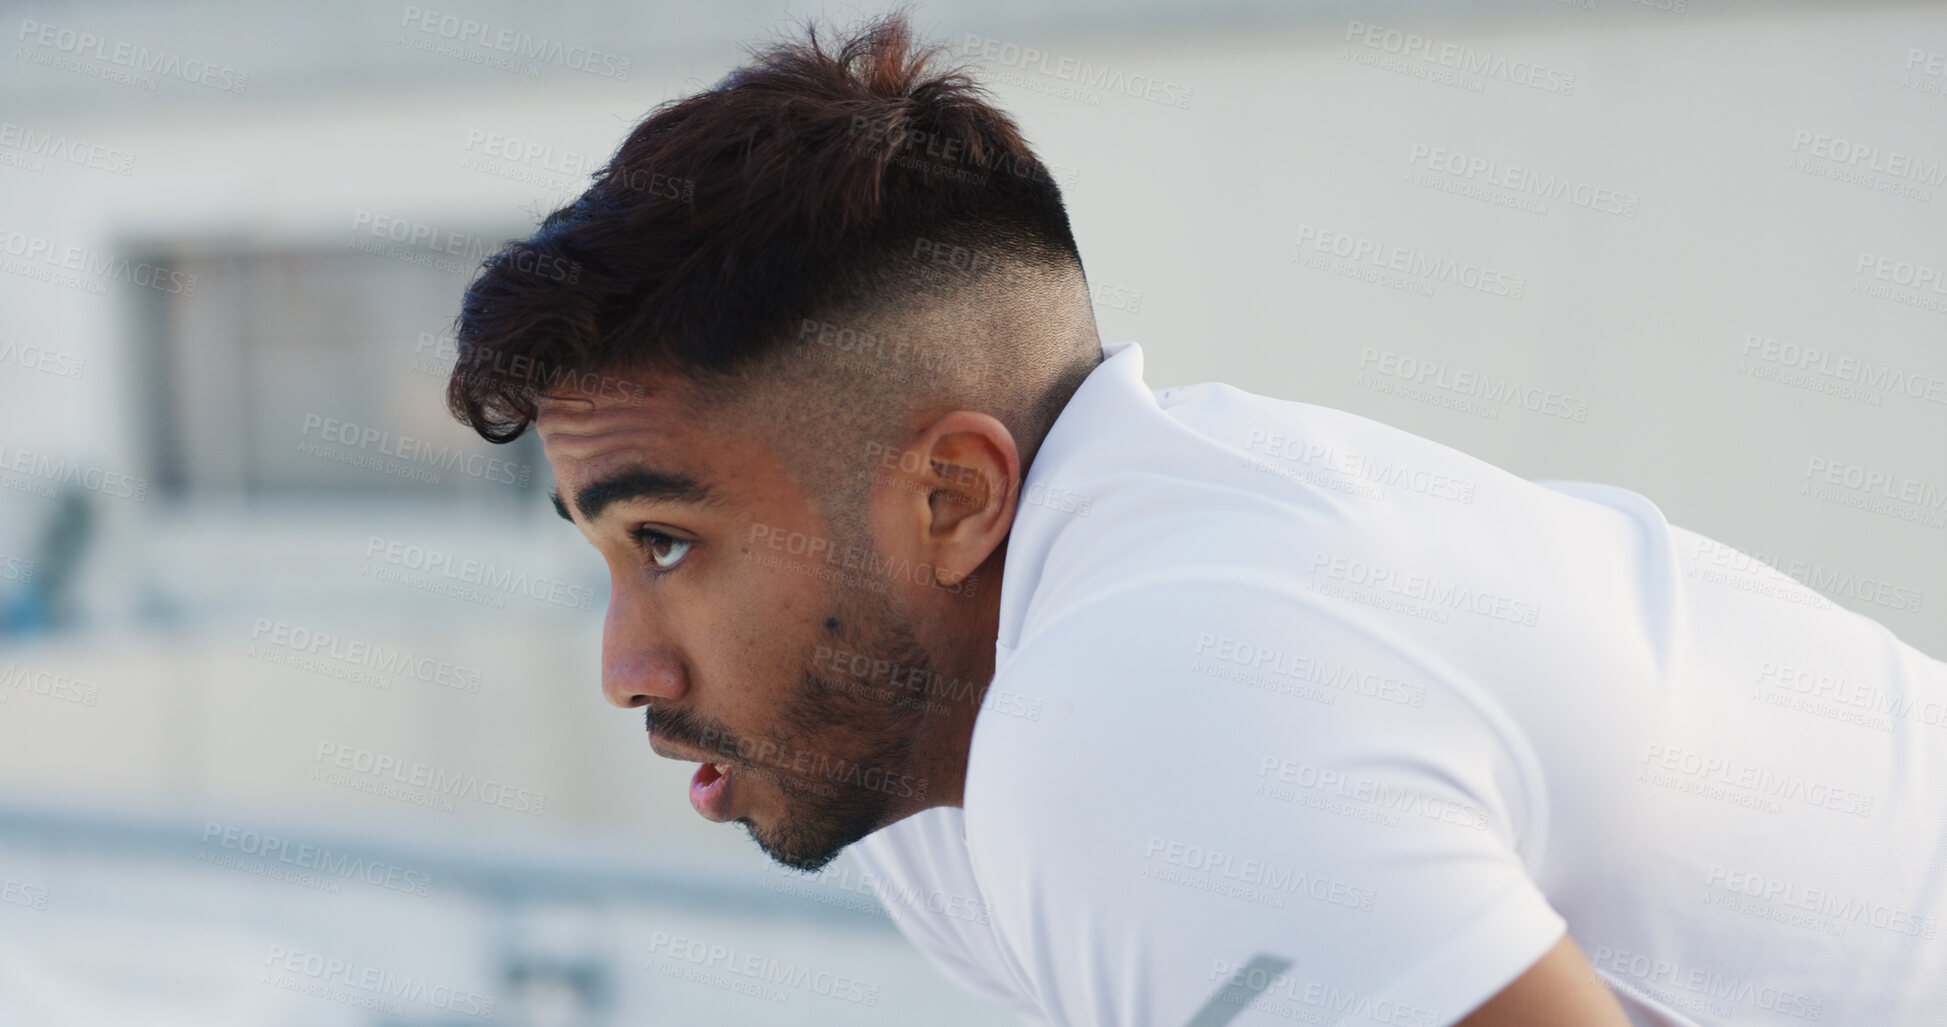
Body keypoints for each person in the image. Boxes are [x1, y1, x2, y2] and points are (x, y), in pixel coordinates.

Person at [444, 11, 1947, 1026]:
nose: (626, 665)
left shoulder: (1149, 708)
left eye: (671, 545)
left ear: (952, 498)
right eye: (606, 564)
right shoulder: (938, 744)